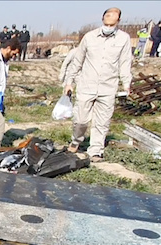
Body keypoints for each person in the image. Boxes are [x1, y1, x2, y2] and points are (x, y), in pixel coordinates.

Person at [63, 7, 133, 162]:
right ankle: (76, 140)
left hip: (108, 86)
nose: (110, 18)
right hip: (87, 84)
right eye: (108, 15)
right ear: (103, 18)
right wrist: (69, 82)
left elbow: (125, 62)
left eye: (114, 16)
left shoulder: (123, 39)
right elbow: (78, 61)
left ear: (118, 20)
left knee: (102, 121)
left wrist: (126, 84)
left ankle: (96, 150)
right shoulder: (89, 37)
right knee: (80, 119)